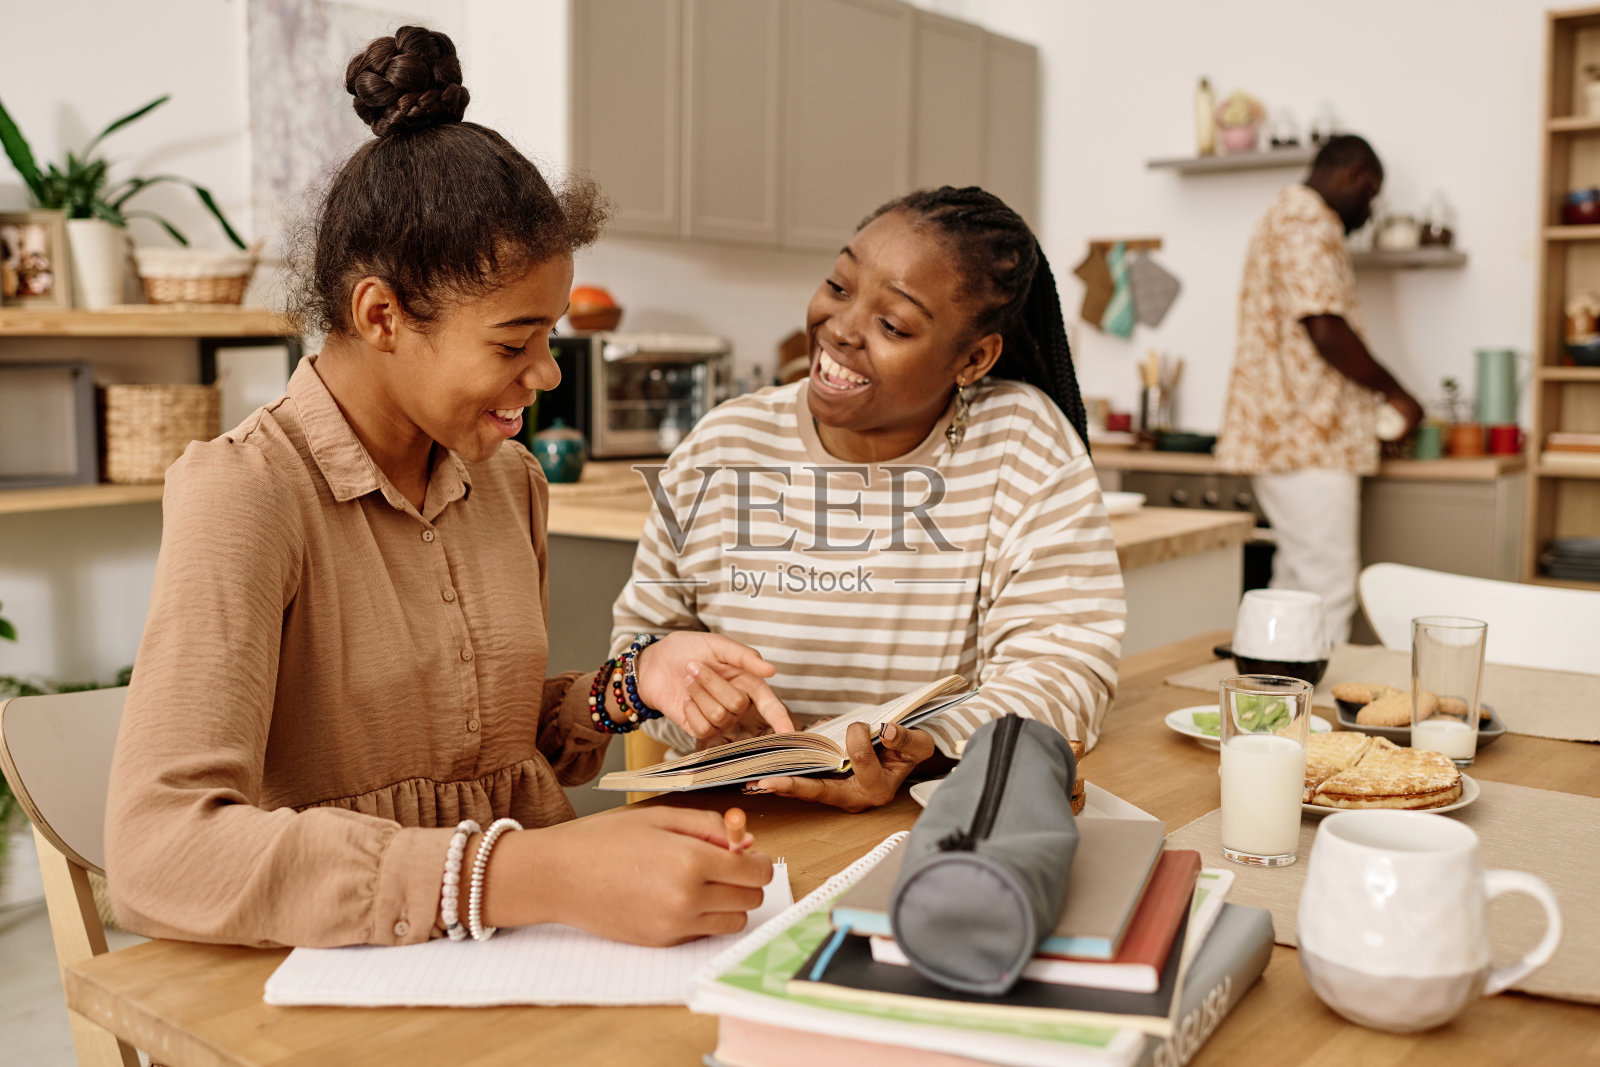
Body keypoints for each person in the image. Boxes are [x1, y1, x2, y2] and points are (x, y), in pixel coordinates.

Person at [104, 26, 791, 950]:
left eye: (550, 338)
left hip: (521, 960)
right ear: (380, 315)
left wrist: (630, 686)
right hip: (338, 982)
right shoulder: (247, 493)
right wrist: (524, 872)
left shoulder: (505, 481)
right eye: (514, 343)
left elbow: (489, 749)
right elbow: (158, 854)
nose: (546, 374)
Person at [611, 187, 1126, 811]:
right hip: (727, 817)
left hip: (923, 813)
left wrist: (927, 749)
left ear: (973, 358)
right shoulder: (723, 443)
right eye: (838, 284)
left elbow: (1066, 671)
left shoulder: (1021, 443)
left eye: (893, 324)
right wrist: (692, 696)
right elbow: (639, 650)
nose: (842, 329)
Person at [1214, 134, 1422, 642]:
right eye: (1371, 196)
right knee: (1325, 590)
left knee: (1296, 586)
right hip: (1306, 435)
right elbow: (1325, 327)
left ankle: (1274, 710)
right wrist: (1399, 395)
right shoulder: (1307, 220)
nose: (1368, 211)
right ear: (1354, 176)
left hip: (1292, 434)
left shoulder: (1284, 217)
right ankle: (1311, 716)